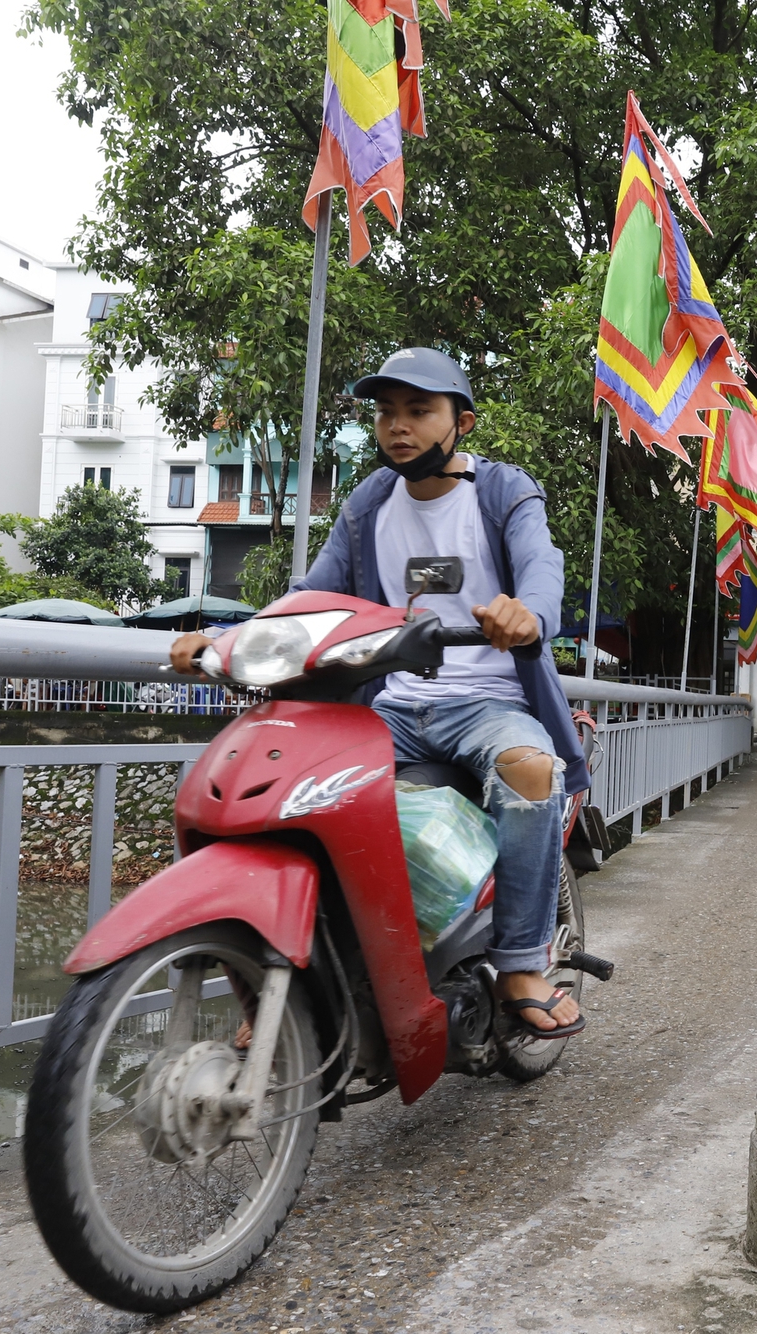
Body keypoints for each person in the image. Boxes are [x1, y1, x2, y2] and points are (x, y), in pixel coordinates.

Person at [170, 348, 590, 1037]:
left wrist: (528, 615)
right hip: (389, 706)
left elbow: (542, 564)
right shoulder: (369, 501)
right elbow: (314, 591)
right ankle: (288, 978)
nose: (399, 426)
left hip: (486, 703)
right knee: (290, 791)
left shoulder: (503, 491)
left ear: (464, 422)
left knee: (530, 770)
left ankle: (520, 959)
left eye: (419, 411)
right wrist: (229, 638)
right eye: (386, 412)